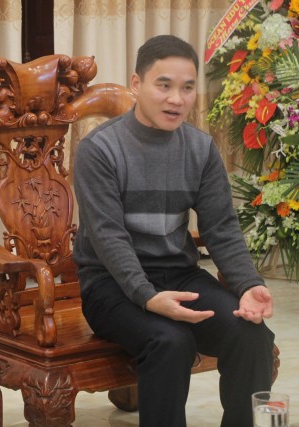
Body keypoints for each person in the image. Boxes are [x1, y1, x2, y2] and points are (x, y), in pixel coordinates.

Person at [73, 35, 276, 427]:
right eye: (163, 85)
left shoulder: (200, 148)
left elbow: (221, 226)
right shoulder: (100, 149)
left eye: (187, 88)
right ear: (136, 84)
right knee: (170, 341)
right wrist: (147, 297)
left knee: (252, 336)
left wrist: (248, 283)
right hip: (110, 286)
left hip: (179, 275)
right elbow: (108, 237)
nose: (176, 99)